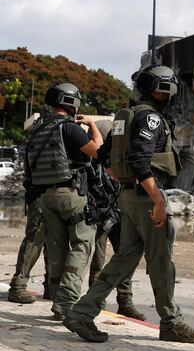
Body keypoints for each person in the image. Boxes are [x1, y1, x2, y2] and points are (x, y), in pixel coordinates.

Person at [64, 65, 194, 343]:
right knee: (161, 260)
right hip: (146, 196)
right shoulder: (150, 119)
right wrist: (156, 200)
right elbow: (139, 159)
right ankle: (172, 323)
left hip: (128, 195)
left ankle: (82, 312)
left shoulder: (125, 116)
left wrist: (123, 178)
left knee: (125, 258)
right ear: (164, 89)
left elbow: (103, 154)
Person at [24, 83, 103, 320]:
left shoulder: (37, 128)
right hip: (70, 193)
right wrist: (92, 125)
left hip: (44, 196)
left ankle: (58, 299)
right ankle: (67, 303)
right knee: (81, 245)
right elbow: (98, 150)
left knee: (57, 249)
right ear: (72, 103)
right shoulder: (69, 127)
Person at [87, 119, 145, 321]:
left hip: (120, 216)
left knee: (127, 259)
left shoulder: (122, 159)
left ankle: (125, 302)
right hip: (101, 217)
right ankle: (96, 303)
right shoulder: (92, 161)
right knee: (98, 262)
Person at [6, 199, 48, 303]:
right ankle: (17, 287)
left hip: (59, 194)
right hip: (41, 193)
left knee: (54, 241)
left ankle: (52, 287)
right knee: (35, 238)